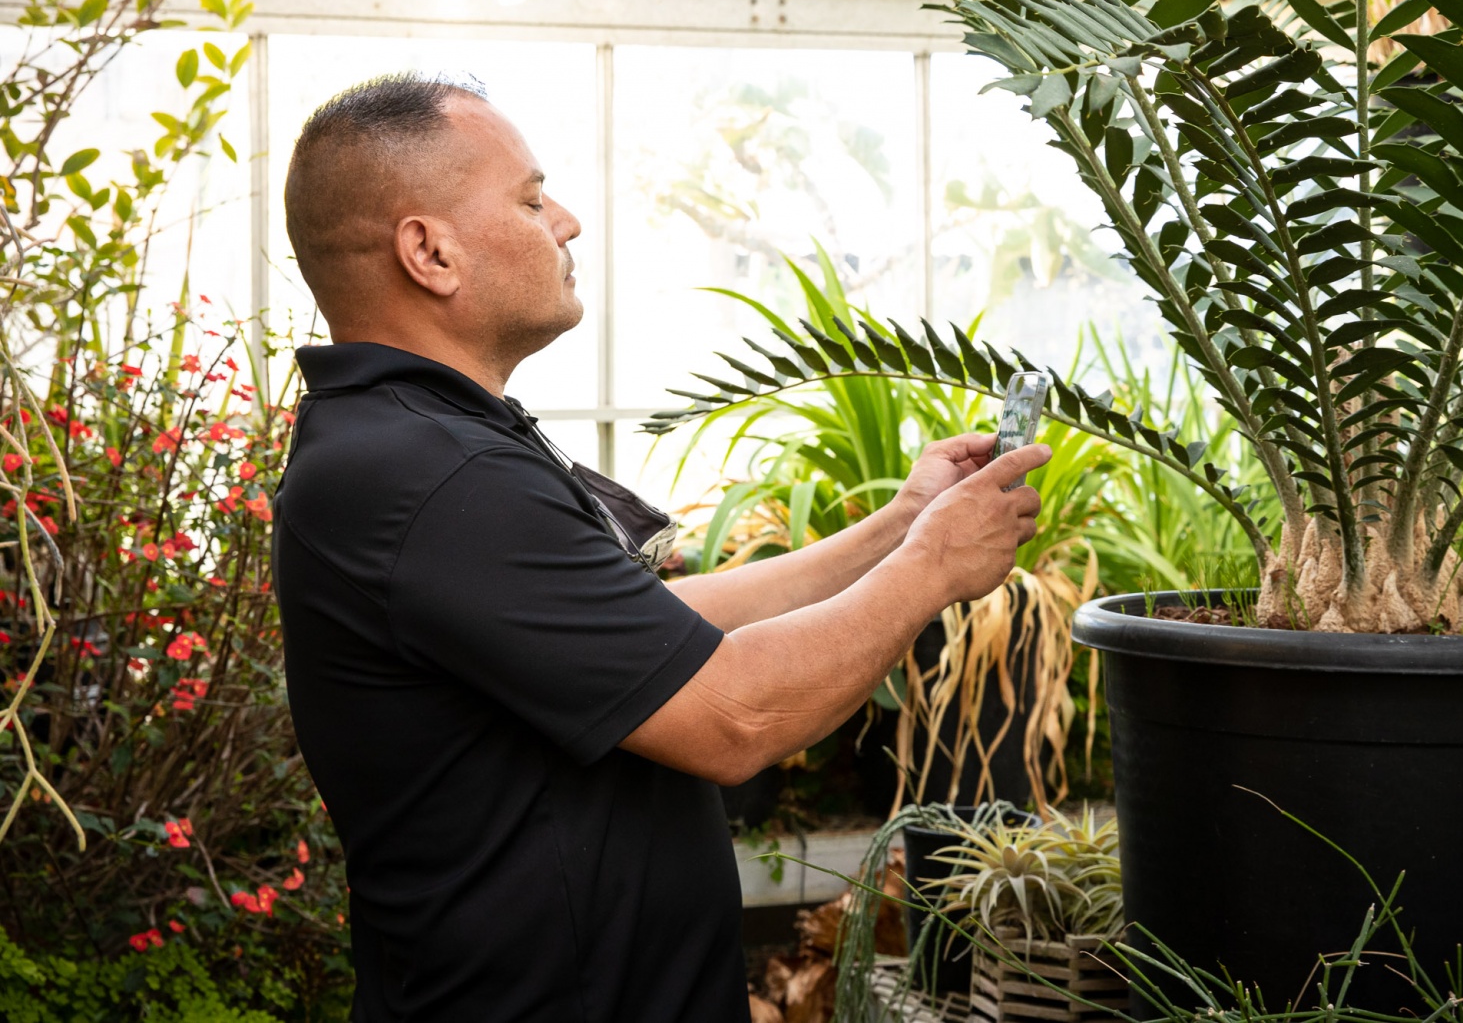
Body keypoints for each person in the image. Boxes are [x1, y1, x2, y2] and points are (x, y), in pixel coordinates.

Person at [272, 73, 1050, 1023]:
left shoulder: (419, 442)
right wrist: (934, 568)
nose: (565, 222)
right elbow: (735, 717)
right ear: (429, 252)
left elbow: (655, 635)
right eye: (528, 197)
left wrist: (900, 524)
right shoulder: (433, 477)